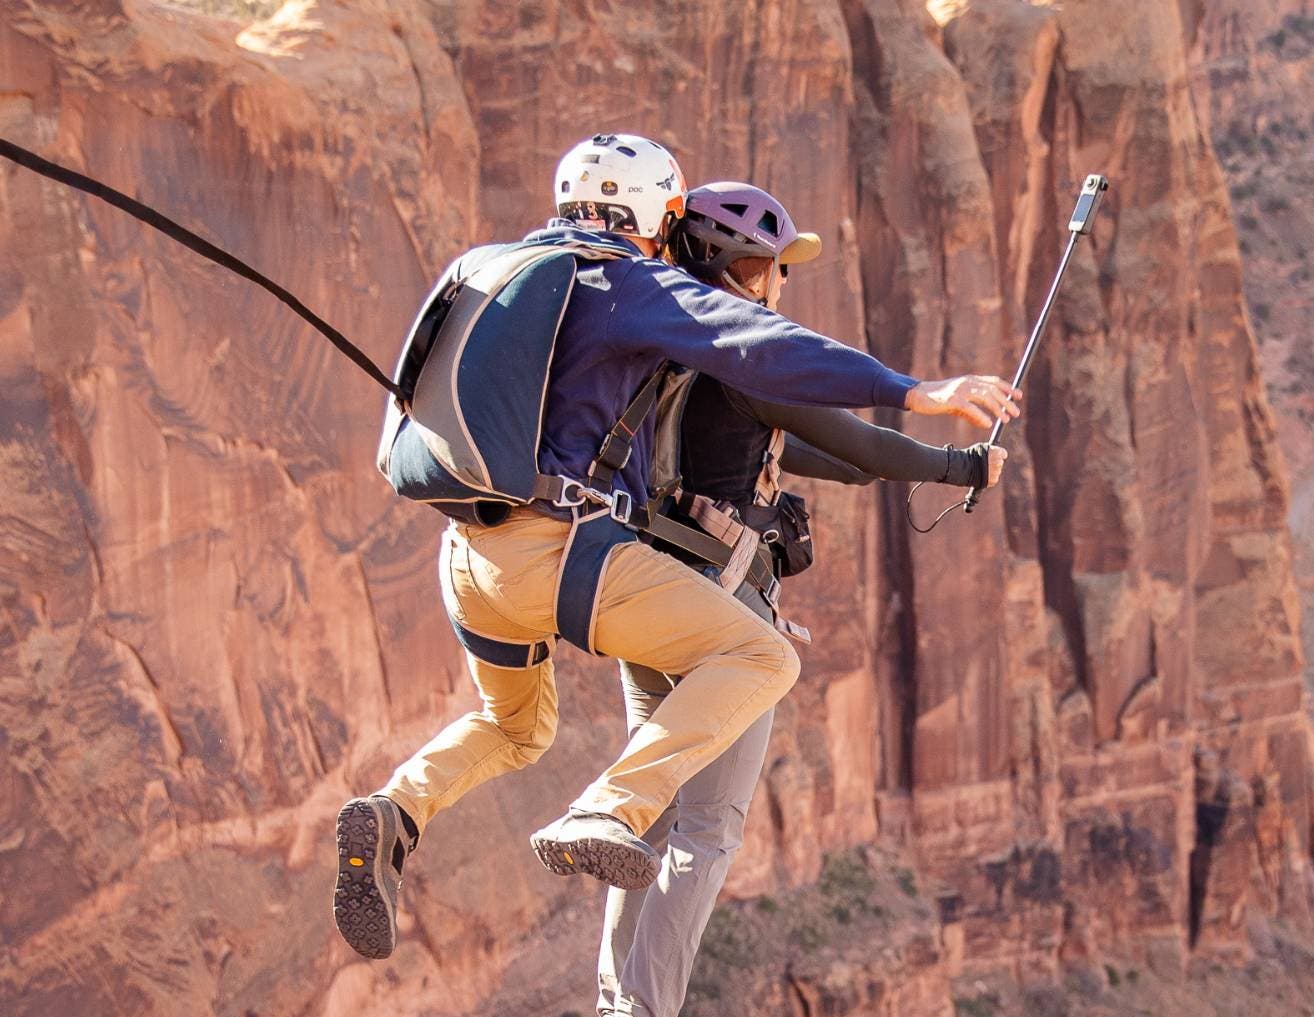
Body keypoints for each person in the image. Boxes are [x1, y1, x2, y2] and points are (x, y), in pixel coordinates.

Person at [332, 135, 1018, 964]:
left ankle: (395, 811)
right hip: (561, 555)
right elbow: (756, 342)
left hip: (469, 559)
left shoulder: (492, 269)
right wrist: (915, 392)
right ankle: (610, 809)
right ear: (651, 212)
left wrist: (930, 461)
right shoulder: (621, 281)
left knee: (514, 727)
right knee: (761, 658)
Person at [574, 181, 1009, 1017]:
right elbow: (852, 433)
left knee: (649, 822)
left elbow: (842, 459)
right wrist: (956, 463)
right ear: (736, 265)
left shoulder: (668, 355)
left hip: (648, 600)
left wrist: (918, 462)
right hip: (722, 614)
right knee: (709, 829)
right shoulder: (740, 351)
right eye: (773, 265)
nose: (780, 283)